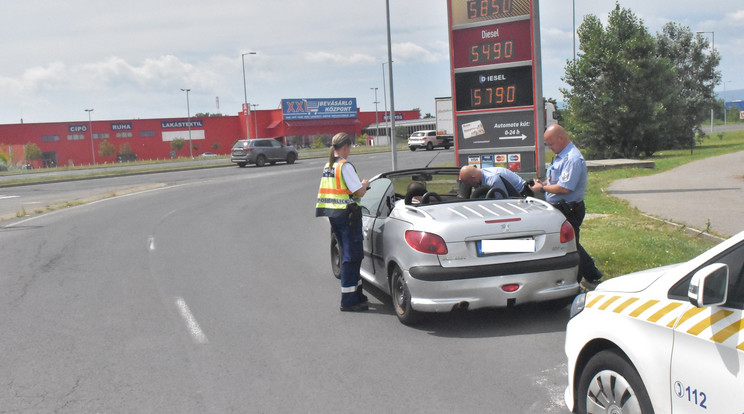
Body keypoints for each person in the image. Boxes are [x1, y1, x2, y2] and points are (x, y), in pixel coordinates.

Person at [528, 124, 602, 290]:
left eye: (551, 143)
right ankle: (591, 274)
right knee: (572, 244)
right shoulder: (561, 156)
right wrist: (544, 183)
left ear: (561, 138)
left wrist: (542, 188)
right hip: (560, 207)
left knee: (571, 245)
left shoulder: (572, 159)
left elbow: (565, 187)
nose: (550, 147)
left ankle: (579, 280)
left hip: (569, 208)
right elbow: (556, 180)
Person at [315, 132, 370, 312]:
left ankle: (356, 292)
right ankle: (348, 299)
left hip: (334, 215)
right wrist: (365, 183)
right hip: (348, 216)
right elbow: (359, 192)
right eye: (350, 147)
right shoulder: (344, 166)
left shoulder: (329, 165)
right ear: (345, 147)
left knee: (349, 253)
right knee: (352, 256)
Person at [458, 165, 534, 198]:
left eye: (468, 182)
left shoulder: (493, 179)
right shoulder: (482, 173)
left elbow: (501, 201)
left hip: (522, 195)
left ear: (473, 177)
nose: (469, 185)